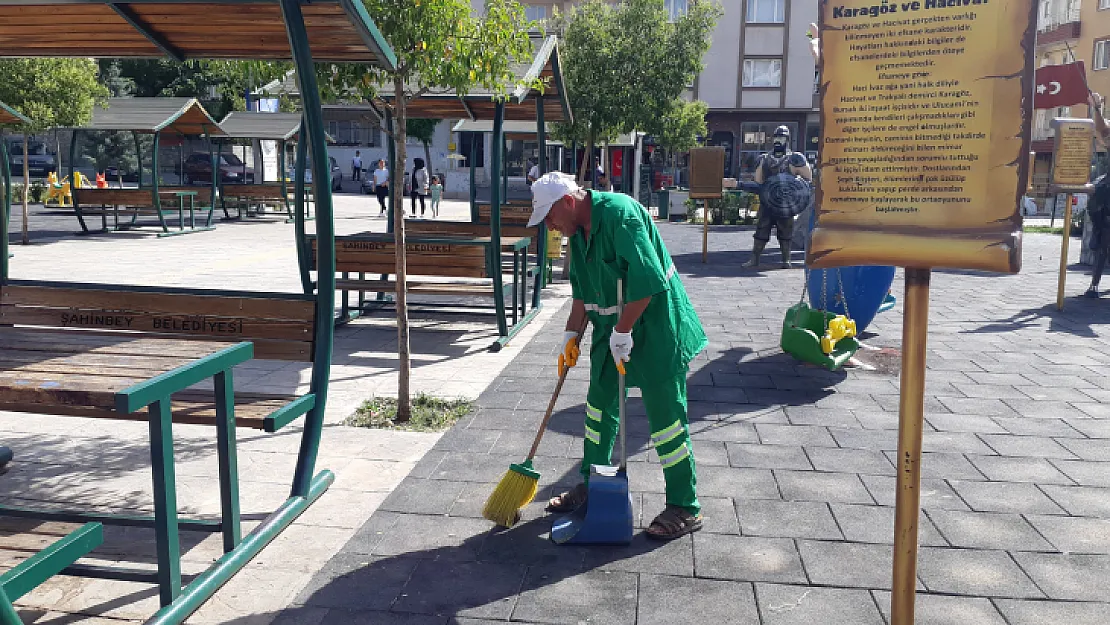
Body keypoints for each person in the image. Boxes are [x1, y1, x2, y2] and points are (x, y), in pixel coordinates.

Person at [528, 172, 708, 541]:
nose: (550, 225)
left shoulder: (621, 215)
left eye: (550, 216)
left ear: (568, 202)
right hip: (612, 327)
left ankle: (684, 506)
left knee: (666, 419)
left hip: (656, 326)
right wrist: (570, 336)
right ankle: (593, 483)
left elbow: (647, 279)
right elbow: (581, 292)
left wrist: (624, 331)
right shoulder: (576, 233)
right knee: (598, 408)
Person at [743, 125, 813, 269]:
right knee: (761, 230)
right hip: (768, 203)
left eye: (781, 138)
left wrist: (794, 189)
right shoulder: (764, 159)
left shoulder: (795, 159)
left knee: (786, 233)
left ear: (787, 140)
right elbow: (759, 183)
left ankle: (786, 260)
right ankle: (755, 259)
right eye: (776, 137)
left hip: (786, 205)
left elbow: (807, 182)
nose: (778, 141)